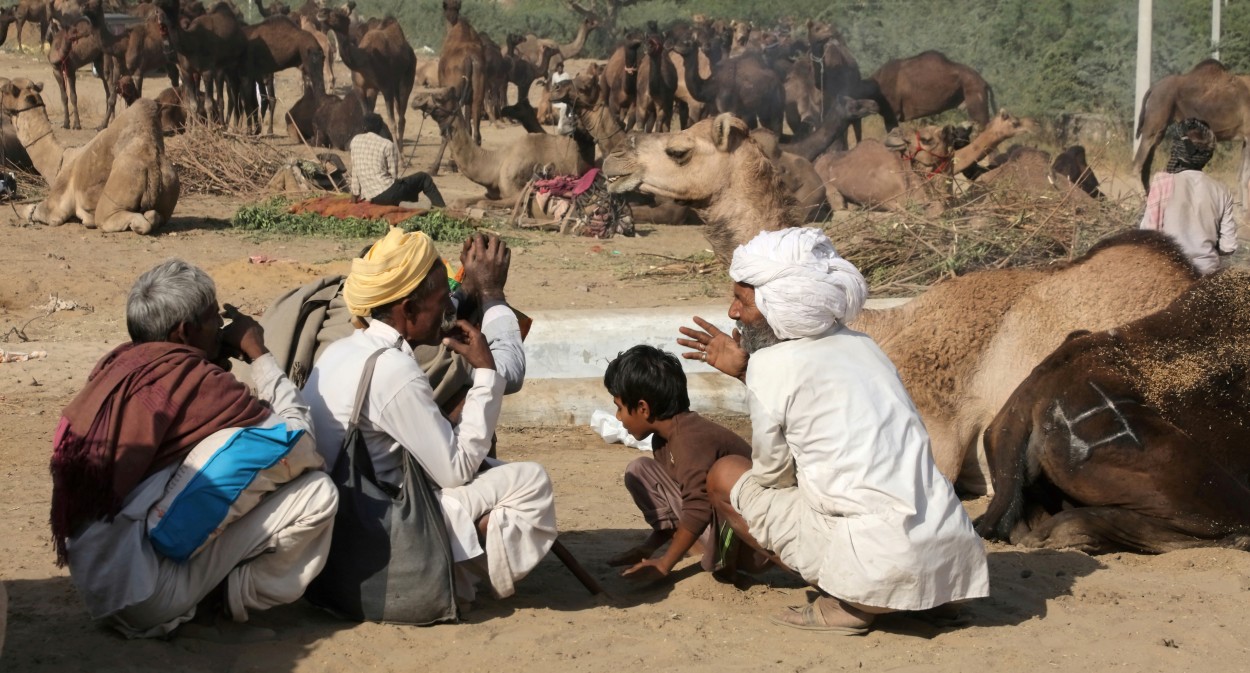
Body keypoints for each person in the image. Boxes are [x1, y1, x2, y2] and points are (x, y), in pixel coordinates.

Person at [677, 227, 989, 635]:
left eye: (742, 301)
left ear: (778, 306)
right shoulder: (863, 346)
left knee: (726, 475)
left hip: (878, 563)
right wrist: (748, 373)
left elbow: (773, 475)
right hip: (947, 556)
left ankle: (850, 603)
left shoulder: (773, 367)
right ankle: (926, 599)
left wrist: (752, 375)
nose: (733, 312)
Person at [50, 260, 338, 638]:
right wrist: (259, 354)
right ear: (185, 331)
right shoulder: (193, 380)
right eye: (212, 319)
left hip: (100, 586)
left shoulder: (117, 366)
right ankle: (225, 598)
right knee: (316, 490)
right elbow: (298, 437)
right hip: (146, 594)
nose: (221, 328)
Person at [304, 228, 555, 603]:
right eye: (442, 300)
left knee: (490, 467)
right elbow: (455, 471)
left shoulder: (342, 350)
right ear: (407, 309)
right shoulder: (393, 369)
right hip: (381, 523)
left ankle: (468, 547)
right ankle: (461, 573)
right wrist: (485, 373)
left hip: (349, 518)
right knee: (531, 481)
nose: (448, 310)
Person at [603, 345, 752, 580]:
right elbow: (679, 506)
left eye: (620, 408)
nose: (618, 417)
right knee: (640, 470)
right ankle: (700, 549)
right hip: (715, 524)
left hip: (749, 540)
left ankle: (722, 561)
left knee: (697, 501)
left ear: (643, 408)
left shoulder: (689, 440)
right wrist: (649, 548)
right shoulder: (662, 440)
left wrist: (664, 564)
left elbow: (697, 508)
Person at [1140, 117, 1238, 275]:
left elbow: (1148, 233)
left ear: (1177, 151)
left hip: (1170, 273)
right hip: (1208, 276)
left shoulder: (1163, 181)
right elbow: (1229, 247)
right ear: (1208, 154)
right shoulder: (1221, 190)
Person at [350, 113, 446, 208]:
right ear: (380, 129)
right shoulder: (387, 144)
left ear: (364, 127)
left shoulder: (355, 141)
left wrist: (354, 197)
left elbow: (355, 172)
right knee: (424, 177)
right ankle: (442, 209)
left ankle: (410, 205)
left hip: (372, 197)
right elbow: (393, 175)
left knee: (405, 187)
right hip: (388, 193)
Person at [549, 62, 575, 136]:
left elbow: (570, 85)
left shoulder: (566, 75)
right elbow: (553, 86)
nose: (560, 69)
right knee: (564, 106)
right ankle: (560, 126)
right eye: (559, 67)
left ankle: (570, 123)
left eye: (561, 67)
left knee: (569, 106)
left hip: (565, 96)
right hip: (557, 97)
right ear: (557, 68)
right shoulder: (554, 76)